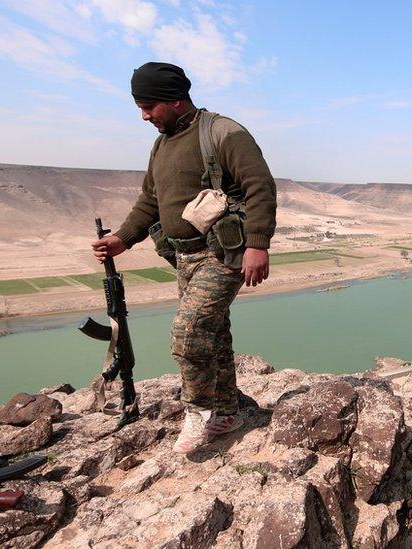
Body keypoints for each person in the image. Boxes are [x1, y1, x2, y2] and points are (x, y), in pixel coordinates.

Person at [92, 62, 276, 454]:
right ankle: (227, 412)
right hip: (183, 257)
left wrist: (257, 245)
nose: (143, 115)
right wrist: (123, 239)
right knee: (214, 335)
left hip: (224, 254)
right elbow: (151, 200)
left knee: (188, 334)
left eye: (148, 106)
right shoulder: (161, 144)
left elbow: (260, 186)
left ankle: (198, 411)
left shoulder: (224, 133)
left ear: (175, 99)